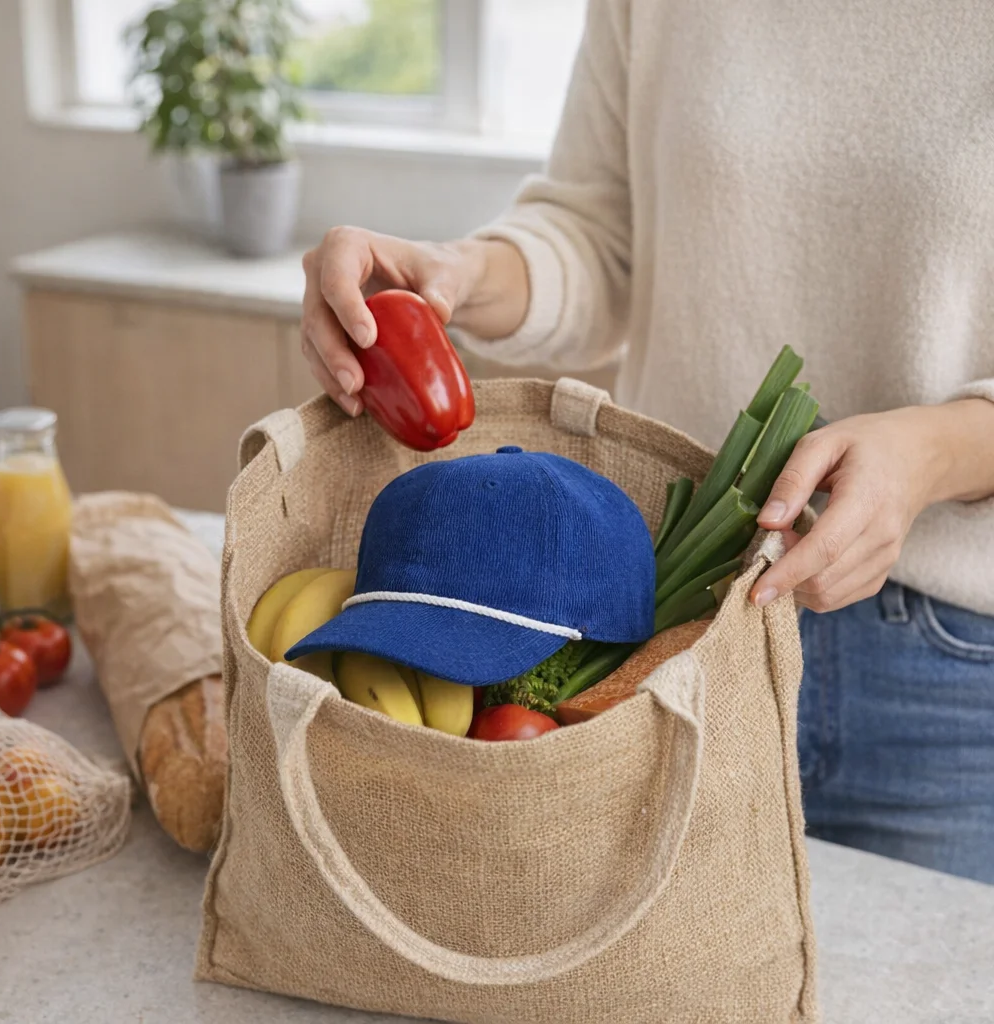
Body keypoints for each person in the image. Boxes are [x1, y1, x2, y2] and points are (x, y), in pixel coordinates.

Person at [300, 0, 994, 883]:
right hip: (670, 624)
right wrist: (461, 276)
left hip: (951, 681)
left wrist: (934, 451)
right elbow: (599, 239)